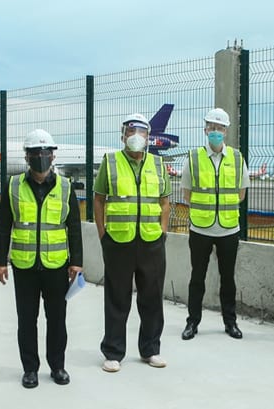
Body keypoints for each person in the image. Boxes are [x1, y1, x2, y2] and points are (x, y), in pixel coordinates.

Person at [0, 129, 83, 388]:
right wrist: (0, 261)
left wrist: (76, 262)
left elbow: (74, 228)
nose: (41, 157)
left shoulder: (65, 187)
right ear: (27, 156)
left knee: (57, 319)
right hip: (24, 266)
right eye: (35, 153)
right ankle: (30, 369)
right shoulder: (13, 186)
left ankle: (58, 367)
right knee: (26, 319)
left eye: (46, 152)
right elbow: (3, 226)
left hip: (57, 266)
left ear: (53, 156)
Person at [94, 112, 171, 372]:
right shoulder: (111, 161)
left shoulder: (158, 164)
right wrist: (103, 234)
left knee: (152, 298)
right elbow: (99, 198)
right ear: (123, 135)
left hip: (151, 242)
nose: (136, 136)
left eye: (141, 132)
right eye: (130, 131)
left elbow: (165, 201)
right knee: (117, 298)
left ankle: (151, 349)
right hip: (118, 241)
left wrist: (162, 232)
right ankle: (113, 352)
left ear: (149, 137)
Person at [180, 107, 250, 340]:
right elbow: (186, 194)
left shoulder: (238, 159)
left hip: (229, 228)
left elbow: (241, 193)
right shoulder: (193, 158)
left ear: (227, 131)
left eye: (220, 128)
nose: (216, 131)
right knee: (197, 277)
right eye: (212, 127)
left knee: (228, 278)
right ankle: (192, 322)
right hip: (200, 228)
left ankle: (230, 322)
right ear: (205, 129)